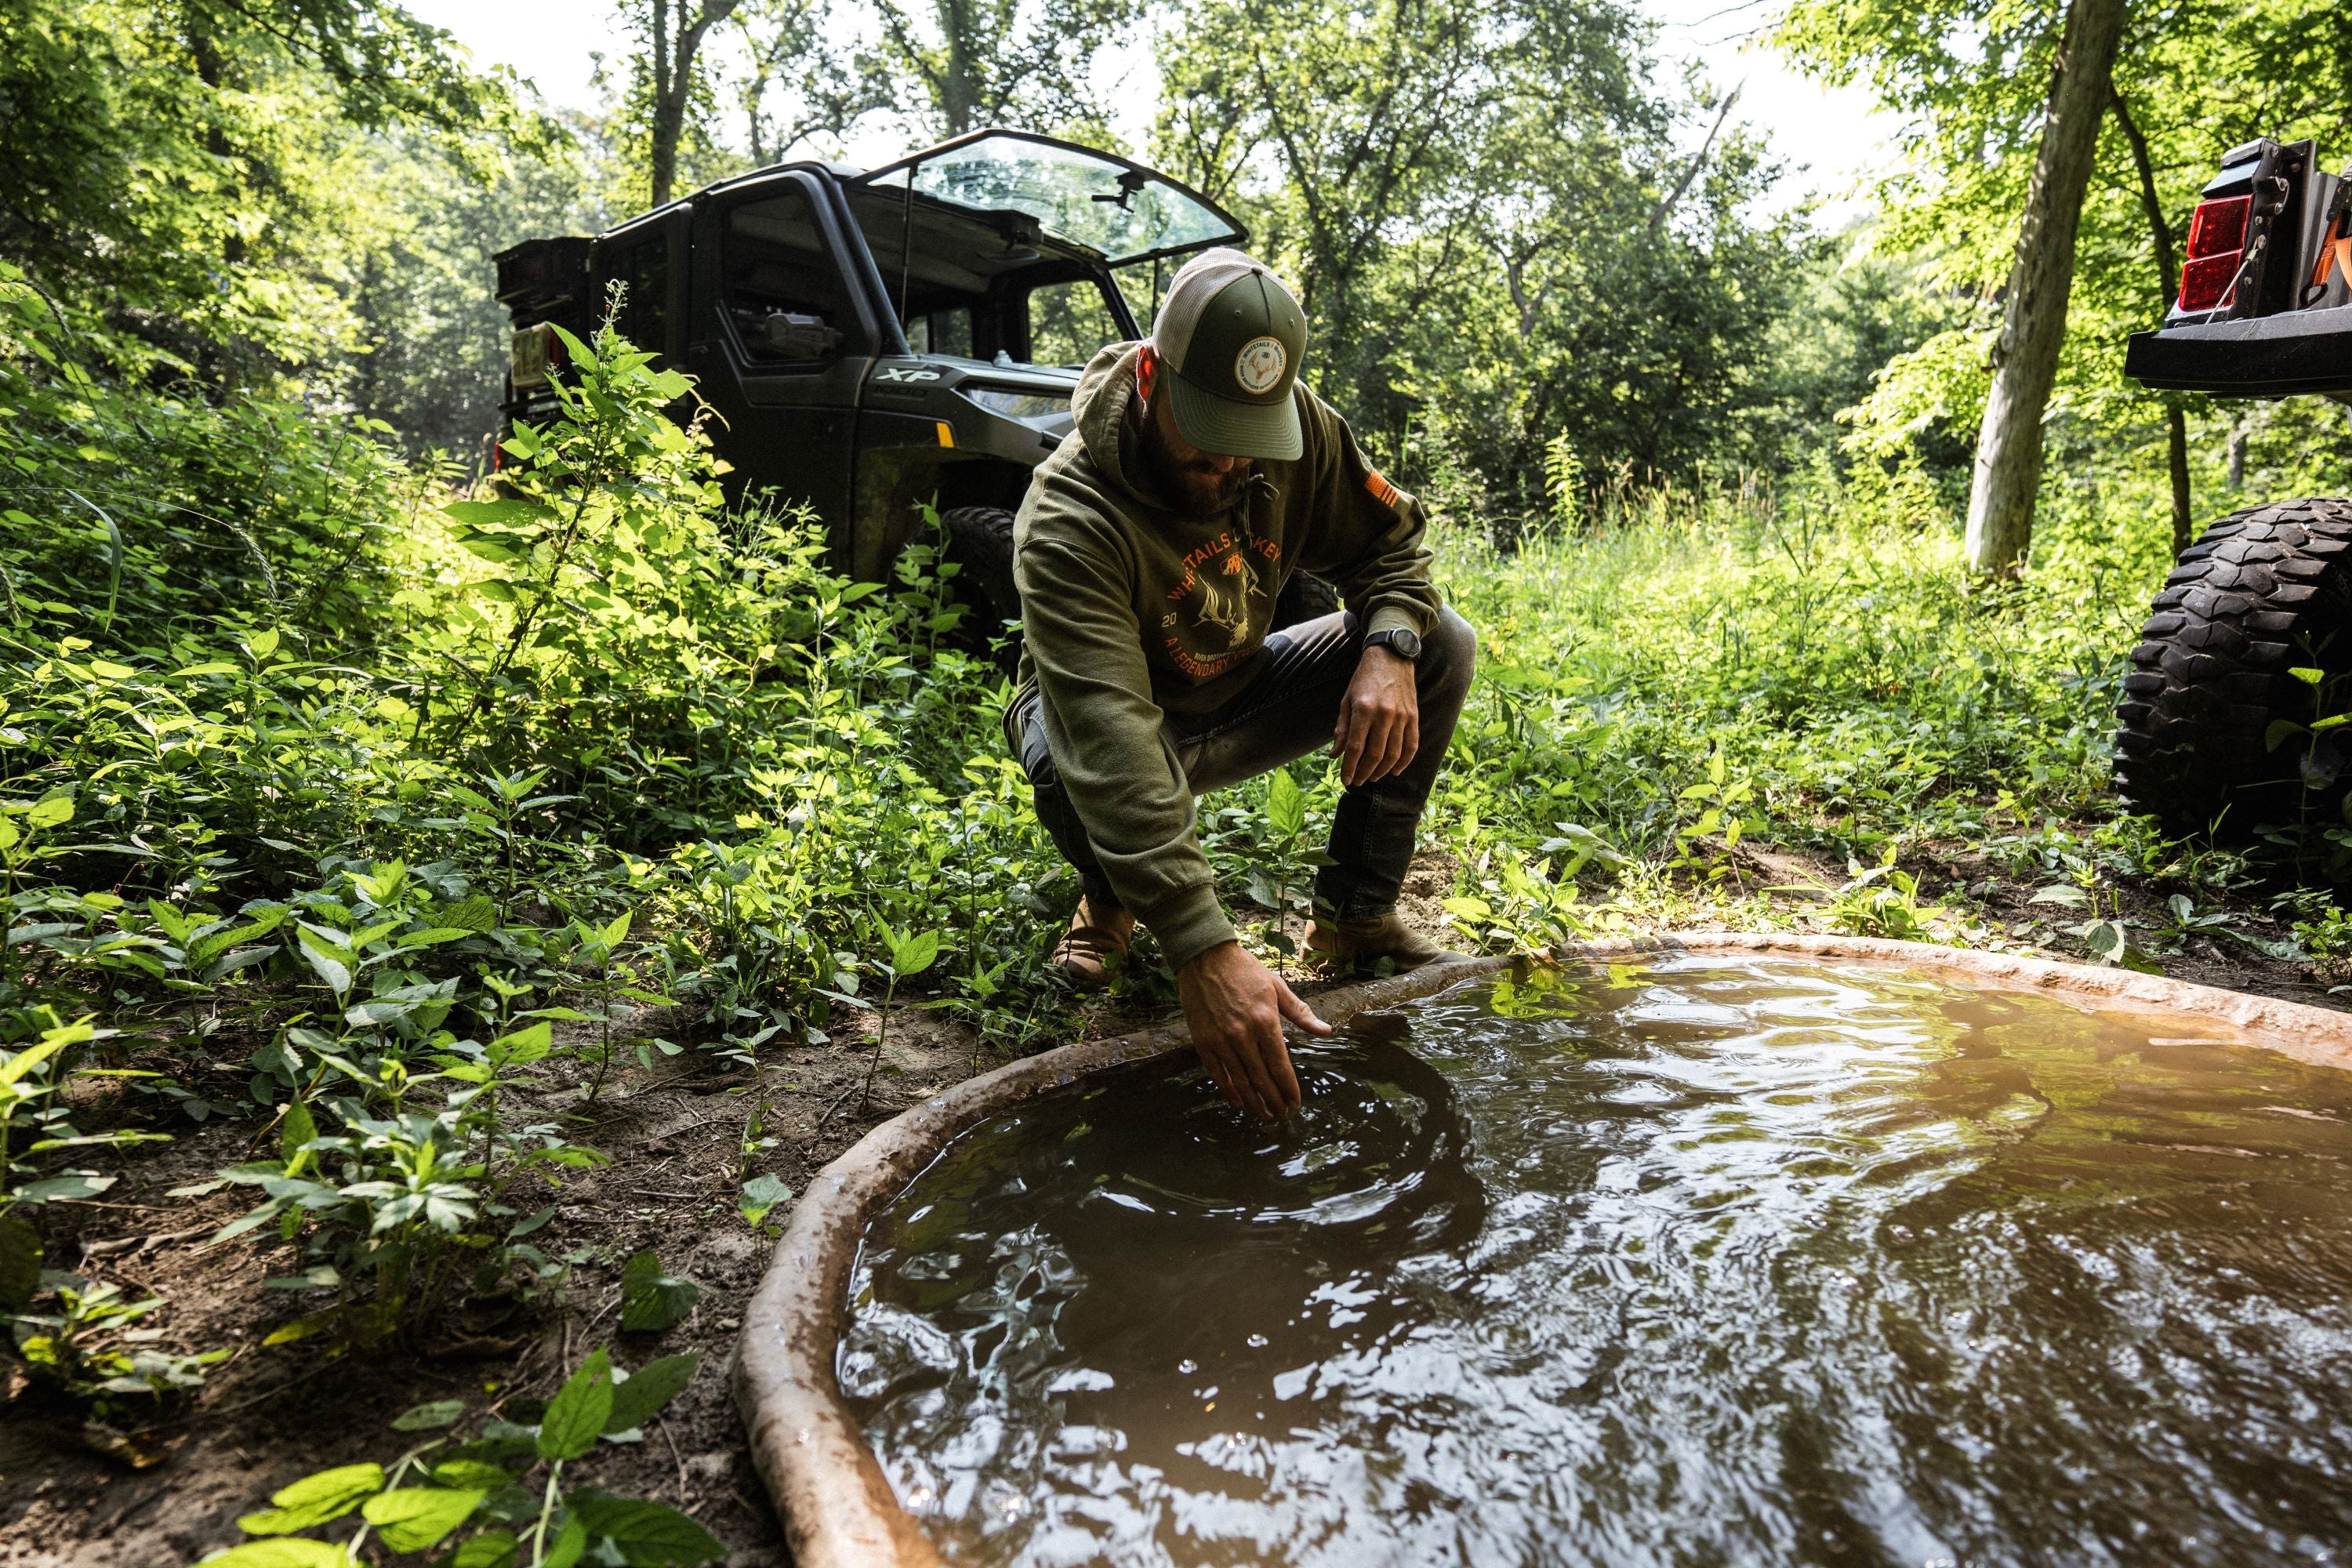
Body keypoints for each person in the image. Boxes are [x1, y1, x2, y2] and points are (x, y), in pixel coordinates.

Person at [1007, 249, 1478, 1120]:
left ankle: (1355, 918)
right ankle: (1110, 895)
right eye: (1208, 433)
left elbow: (1392, 543)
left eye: (1248, 441)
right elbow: (1109, 729)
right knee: (1072, 772)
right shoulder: (1068, 517)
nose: (1232, 465)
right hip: (1106, 720)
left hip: (1238, 690)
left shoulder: (1299, 427)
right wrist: (1204, 946)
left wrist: (1389, 645)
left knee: (1439, 641)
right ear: (1151, 375)